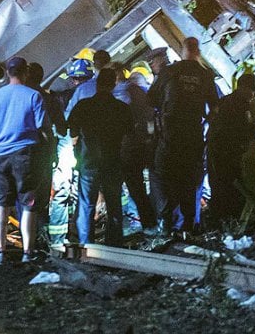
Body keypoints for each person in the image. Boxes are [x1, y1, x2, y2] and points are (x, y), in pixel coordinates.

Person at [0, 57, 47, 265]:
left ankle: (0, 252)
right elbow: (41, 128)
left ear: (7, 73)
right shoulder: (33, 95)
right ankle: (27, 252)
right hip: (24, 155)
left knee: (2, 205)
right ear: (25, 72)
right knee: (28, 204)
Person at [149, 38, 217, 235]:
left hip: (169, 136)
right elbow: (215, 108)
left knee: (163, 176)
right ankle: (189, 225)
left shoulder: (169, 72)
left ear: (181, 51)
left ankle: (167, 224)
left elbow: (151, 100)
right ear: (197, 52)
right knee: (191, 181)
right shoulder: (205, 75)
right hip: (193, 137)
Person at [69, 68, 134, 246]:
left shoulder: (84, 106)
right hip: (113, 161)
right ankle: (114, 245)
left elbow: (72, 130)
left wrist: (78, 149)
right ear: (114, 84)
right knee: (114, 205)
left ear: (97, 84)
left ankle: (86, 244)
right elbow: (130, 135)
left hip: (89, 162)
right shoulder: (122, 109)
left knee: (86, 204)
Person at [49, 57, 94, 246]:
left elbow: (60, 125)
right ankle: (74, 234)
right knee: (78, 191)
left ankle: (58, 238)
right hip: (81, 147)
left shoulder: (62, 96)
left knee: (63, 190)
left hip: (66, 146)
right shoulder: (92, 94)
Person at [207, 73, 255, 223]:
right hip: (228, 153)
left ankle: (219, 221)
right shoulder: (242, 105)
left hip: (214, 151)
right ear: (243, 88)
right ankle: (233, 222)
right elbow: (248, 131)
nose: (254, 95)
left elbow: (211, 121)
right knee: (233, 189)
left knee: (218, 188)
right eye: (253, 90)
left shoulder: (223, 101)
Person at [111, 62, 157, 234]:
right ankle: (146, 223)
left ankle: (145, 223)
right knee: (134, 187)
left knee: (132, 187)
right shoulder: (131, 90)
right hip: (129, 145)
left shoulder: (127, 91)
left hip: (128, 146)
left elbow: (147, 116)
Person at [25, 62, 66, 242]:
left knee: (24, 195)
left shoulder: (18, 96)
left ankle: (28, 238)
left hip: (20, 152)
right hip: (43, 151)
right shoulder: (47, 99)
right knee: (41, 196)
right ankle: (40, 235)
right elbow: (61, 128)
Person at [65, 50, 111, 117]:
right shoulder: (119, 81)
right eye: (75, 79)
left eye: (82, 79)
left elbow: (69, 114)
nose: (77, 82)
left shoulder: (84, 89)